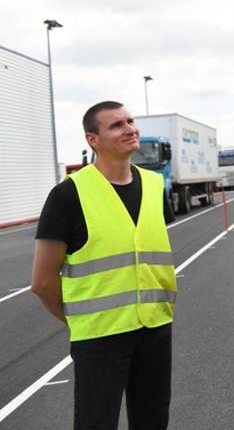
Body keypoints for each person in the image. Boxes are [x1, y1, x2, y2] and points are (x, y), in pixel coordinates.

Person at [31, 101, 177, 430]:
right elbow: (41, 282)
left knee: (153, 421)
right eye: (116, 125)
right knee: (96, 422)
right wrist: (81, 320)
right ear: (92, 140)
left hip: (155, 329)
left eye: (130, 121)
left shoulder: (154, 186)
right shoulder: (68, 195)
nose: (129, 128)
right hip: (99, 337)